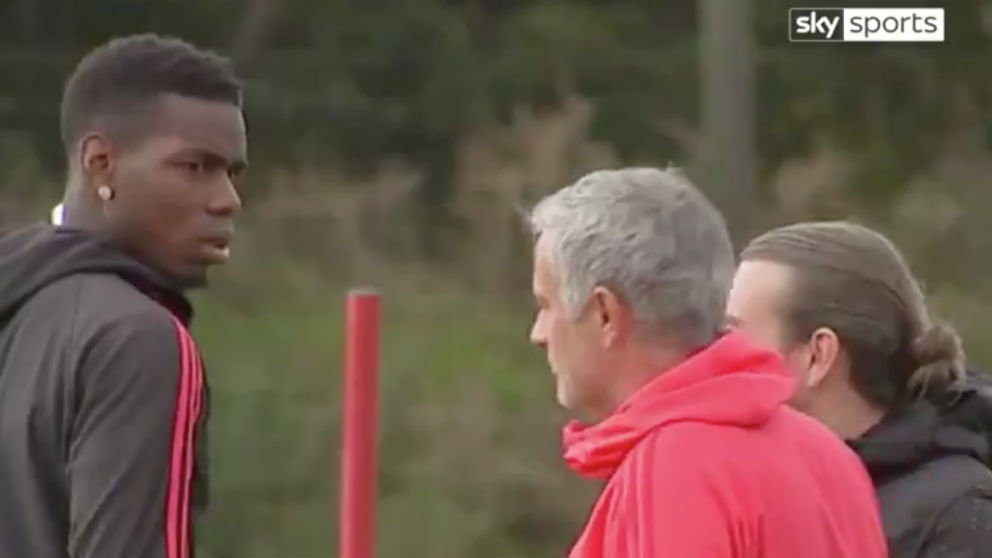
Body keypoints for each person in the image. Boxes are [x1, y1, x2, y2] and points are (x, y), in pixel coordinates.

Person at [526, 167, 887, 558]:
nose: (538, 333)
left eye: (547, 306)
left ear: (605, 314)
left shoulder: (674, 466)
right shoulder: (828, 455)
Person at [0, 34, 246, 558]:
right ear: (100, 163)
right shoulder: (139, 340)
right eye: (195, 167)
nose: (228, 200)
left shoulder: (18, 297)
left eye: (232, 173)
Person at [727, 220, 992, 557]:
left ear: (818, 356)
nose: (714, 354)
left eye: (733, 334)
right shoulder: (761, 490)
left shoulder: (960, 519)